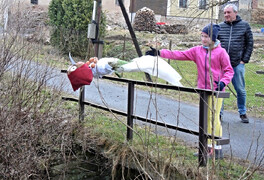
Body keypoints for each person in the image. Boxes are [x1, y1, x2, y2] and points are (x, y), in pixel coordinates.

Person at [145, 24, 234, 158]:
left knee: (213, 118)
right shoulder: (198, 50)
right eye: (202, 36)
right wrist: (159, 53)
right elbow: (180, 54)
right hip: (202, 89)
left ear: (213, 38)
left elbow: (229, 70)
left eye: (207, 36)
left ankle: (216, 149)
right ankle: (204, 147)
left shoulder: (221, 52)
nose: (203, 39)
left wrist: (223, 82)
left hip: (216, 90)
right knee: (204, 118)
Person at [217, 4, 254, 123]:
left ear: (235, 12)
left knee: (240, 90)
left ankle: (242, 112)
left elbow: (250, 43)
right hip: (222, 65)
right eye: (225, 13)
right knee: (220, 89)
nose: (226, 15)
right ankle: (219, 113)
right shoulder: (220, 27)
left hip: (237, 64)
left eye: (229, 12)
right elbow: (215, 43)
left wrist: (244, 60)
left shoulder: (244, 26)